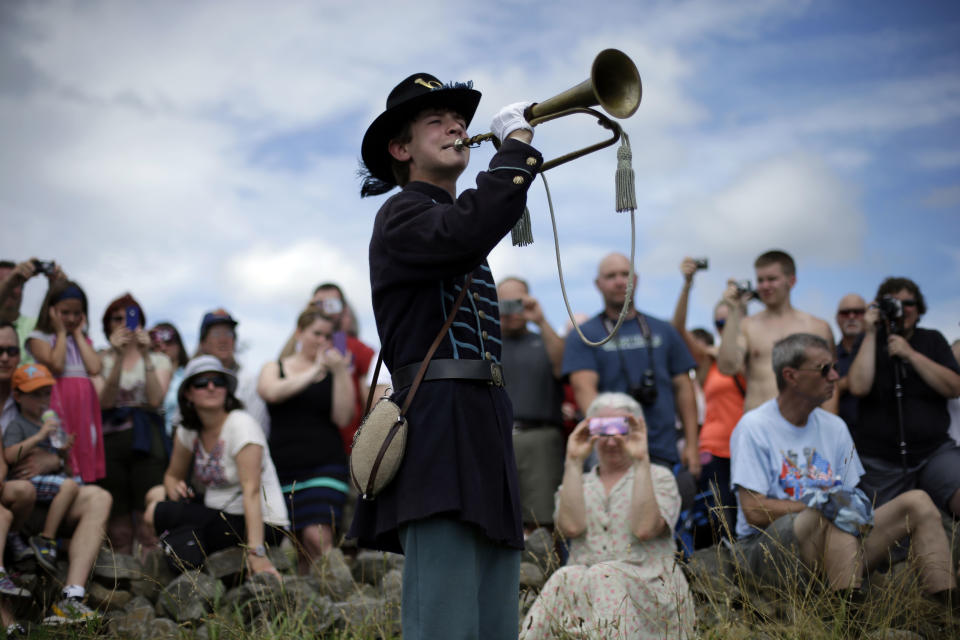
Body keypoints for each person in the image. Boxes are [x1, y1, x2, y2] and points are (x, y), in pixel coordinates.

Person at [348, 72, 541, 640]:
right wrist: (515, 152)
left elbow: (470, 227)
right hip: (438, 425)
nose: (457, 127)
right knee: (444, 622)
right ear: (401, 149)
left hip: (483, 420)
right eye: (436, 121)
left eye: (459, 120)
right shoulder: (402, 212)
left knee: (494, 620)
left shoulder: (450, 219)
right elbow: (467, 230)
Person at [730, 333, 956, 604]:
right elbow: (753, 511)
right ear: (790, 376)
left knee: (917, 503)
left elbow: (854, 500)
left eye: (835, 367)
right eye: (825, 369)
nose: (836, 376)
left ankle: (946, 609)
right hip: (768, 553)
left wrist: (839, 507)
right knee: (837, 507)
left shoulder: (834, 427)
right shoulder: (753, 427)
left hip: (834, 543)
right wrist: (823, 503)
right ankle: (845, 618)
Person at [520, 392, 694, 638]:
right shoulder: (578, 482)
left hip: (649, 591)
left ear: (636, 429)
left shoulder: (658, 477)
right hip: (587, 591)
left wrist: (641, 458)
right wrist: (573, 460)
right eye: (603, 429)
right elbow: (570, 528)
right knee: (566, 576)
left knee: (604, 574)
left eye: (620, 429)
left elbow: (645, 528)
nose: (612, 440)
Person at [0, 327, 111, 624]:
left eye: (11, 350)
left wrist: (56, 456)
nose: (5, 357)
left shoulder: (41, 413)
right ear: (20, 396)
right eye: (0, 350)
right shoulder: (22, 420)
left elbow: (62, 462)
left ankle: (71, 597)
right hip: (12, 499)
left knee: (98, 496)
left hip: (38, 496)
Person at [144, 356, 288, 577]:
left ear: (226, 390)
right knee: (156, 493)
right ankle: (185, 560)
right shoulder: (189, 431)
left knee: (155, 512)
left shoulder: (241, 426)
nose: (211, 387)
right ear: (188, 394)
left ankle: (180, 560)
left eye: (217, 382)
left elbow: (251, 491)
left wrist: (256, 552)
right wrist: (175, 488)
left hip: (262, 523)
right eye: (201, 383)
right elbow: (172, 476)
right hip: (218, 513)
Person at [562, 252, 701, 478]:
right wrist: (612, 438)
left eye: (625, 274)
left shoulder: (664, 330)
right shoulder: (585, 335)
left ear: (635, 279)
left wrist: (692, 445)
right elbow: (584, 390)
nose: (619, 281)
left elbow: (684, 387)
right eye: (611, 276)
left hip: (662, 448)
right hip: (610, 450)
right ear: (598, 284)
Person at [847, 277, 960, 514]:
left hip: (933, 451)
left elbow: (954, 387)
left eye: (909, 303)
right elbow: (858, 387)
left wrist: (910, 355)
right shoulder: (868, 342)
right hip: (881, 461)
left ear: (919, 310)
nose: (902, 309)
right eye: (893, 304)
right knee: (892, 538)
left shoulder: (932, 339)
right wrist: (869, 333)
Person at [258, 307, 354, 572]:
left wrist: (341, 373)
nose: (322, 341)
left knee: (317, 536)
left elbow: (343, 417)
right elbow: (271, 392)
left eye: (328, 336)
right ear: (299, 332)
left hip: (325, 466)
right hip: (284, 470)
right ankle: (314, 606)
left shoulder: (334, 372)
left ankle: (341, 592)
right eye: (317, 334)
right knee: (301, 548)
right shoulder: (274, 366)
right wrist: (313, 371)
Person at [671, 257, 745, 543]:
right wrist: (688, 285)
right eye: (719, 323)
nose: (723, 327)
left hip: (747, 445)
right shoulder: (707, 361)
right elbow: (677, 328)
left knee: (749, 517)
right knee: (720, 519)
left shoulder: (752, 358)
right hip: (714, 448)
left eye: (730, 321)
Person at [93, 293, 171, 556]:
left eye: (130, 318)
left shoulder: (159, 360)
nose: (124, 324)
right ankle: (121, 585)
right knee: (119, 527)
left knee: (147, 521)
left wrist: (147, 355)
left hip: (146, 438)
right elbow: (104, 401)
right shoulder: (99, 360)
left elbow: (155, 399)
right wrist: (116, 356)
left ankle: (150, 585)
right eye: (116, 319)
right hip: (109, 442)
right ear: (106, 326)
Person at [717, 250, 837, 413]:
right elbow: (727, 367)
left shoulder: (818, 328)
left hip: (805, 428)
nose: (765, 286)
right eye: (760, 280)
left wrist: (830, 427)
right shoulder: (747, 326)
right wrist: (732, 311)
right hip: (759, 429)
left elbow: (830, 383)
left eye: (772, 279)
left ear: (791, 281)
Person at [497, 276, 566, 534]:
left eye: (518, 302)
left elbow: (563, 366)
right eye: (504, 303)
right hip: (494, 437)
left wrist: (540, 319)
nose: (512, 311)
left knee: (543, 521)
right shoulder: (485, 344)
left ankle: (545, 571)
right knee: (495, 516)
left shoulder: (544, 340)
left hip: (540, 438)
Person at [279, 283, 374, 454]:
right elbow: (282, 363)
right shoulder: (304, 344)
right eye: (318, 304)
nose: (326, 309)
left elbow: (372, 403)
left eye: (333, 303)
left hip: (351, 447)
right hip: (305, 445)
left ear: (344, 308)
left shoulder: (359, 350)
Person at [4, 364, 81, 573]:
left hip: (49, 479)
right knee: (69, 486)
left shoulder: (50, 423)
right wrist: (38, 437)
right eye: (35, 395)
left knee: (77, 482)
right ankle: (46, 538)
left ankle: (55, 539)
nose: (43, 401)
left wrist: (63, 451)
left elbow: (62, 462)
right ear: (18, 397)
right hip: (26, 481)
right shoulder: (17, 425)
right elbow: (10, 455)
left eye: (46, 394)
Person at [25, 280, 103, 483]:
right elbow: (56, 365)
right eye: (65, 312)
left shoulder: (81, 339)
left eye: (77, 313)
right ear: (51, 310)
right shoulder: (39, 337)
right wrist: (60, 333)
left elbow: (94, 368)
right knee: (62, 452)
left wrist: (77, 334)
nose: (71, 318)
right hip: (57, 408)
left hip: (84, 412)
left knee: (84, 452)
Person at [196, 309, 270, 437]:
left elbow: (257, 432)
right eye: (216, 334)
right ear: (203, 343)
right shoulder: (191, 382)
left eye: (228, 333)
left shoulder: (250, 381)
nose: (223, 339)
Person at [0, 258, 65, 362]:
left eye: (16, 283)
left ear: (22, 288)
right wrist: (9, 282)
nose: (10, 289)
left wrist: (61, 286)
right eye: (2, 282)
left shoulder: (36, 327)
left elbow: (67, 318)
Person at [149, 322, 189, 438]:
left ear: (179, 345)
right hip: (151, 441)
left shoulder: (189, 376)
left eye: (168, 342)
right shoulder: (144, 376)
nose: (163, 348)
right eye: (156, 345)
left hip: (181, 439)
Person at [834, 293, 867, 429]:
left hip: (881, 443)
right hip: (843, 438)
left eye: (858, 312)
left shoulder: (884, 352)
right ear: (837, 318)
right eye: (845, 313)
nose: (851, 317)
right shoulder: (829, 357)